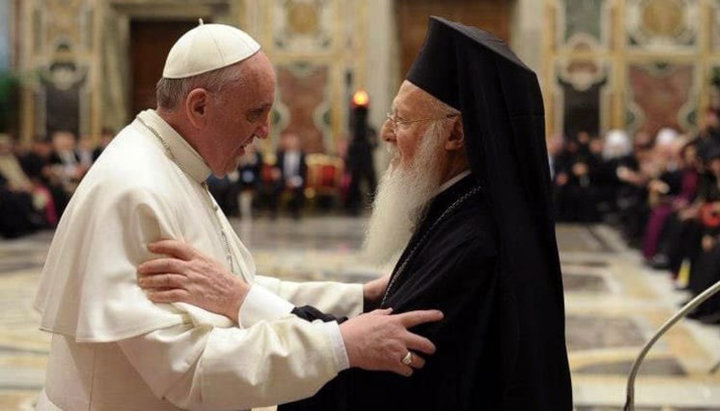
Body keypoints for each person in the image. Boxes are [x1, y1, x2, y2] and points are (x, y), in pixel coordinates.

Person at [140, 17, 573, 410]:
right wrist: (363, 297)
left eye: (402, 120)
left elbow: (380, 375)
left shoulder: (475, 242)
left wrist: (240, 301)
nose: (385, 133)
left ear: (455, 134)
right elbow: (375, 337)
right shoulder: (457, 213)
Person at [33, 22, 443, 410]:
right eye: (254, 113)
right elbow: (186, 369)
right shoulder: (134, 190)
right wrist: (338, 345)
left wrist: (356, 298)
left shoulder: (173, 164)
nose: (266, 131)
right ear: (198, 107)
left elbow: (228, 286)